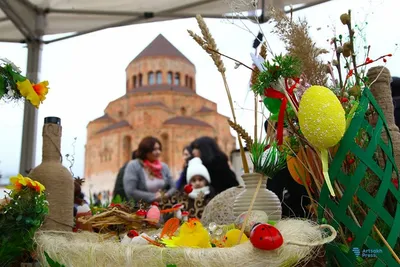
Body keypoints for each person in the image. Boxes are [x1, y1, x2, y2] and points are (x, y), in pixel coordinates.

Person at [264, 120, 310, 218]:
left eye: (282, 127)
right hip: (280, 220)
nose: (277, 133)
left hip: (307, 217)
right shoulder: (268, 164)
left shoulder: (304, 157)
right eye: (272, 131)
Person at [123, 136, 176, 203]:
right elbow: (130, 191)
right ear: (145, 151)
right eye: (154, 149)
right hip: (141, 209)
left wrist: (166, 195)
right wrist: (153, 197)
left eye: (159, 149)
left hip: (163, 207)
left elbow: (173, 186)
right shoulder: (133, 166)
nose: (158, 152)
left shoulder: (164, 167)